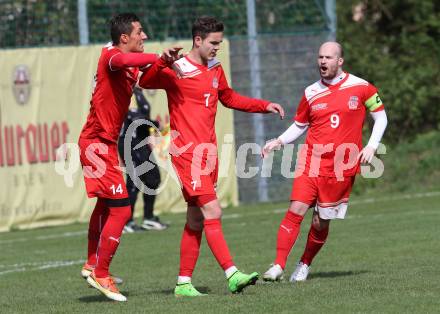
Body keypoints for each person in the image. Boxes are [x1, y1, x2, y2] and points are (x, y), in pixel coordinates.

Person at [139, 16, 285, 296]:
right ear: (198, 40)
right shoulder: (177, 69)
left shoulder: (216, 68)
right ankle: (232, 274)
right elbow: (145, 80)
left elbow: (229, 98)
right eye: (213, 43)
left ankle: (183, 283)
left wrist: (263, 105)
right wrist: (162, 61)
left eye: (219, 42)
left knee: (195, 220)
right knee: (213, 211)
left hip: (209, 154)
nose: (218, 48)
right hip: (186, 154)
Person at [261, 42, 388, 282]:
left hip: (341, 166)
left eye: (328, 57)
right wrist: (278, 141)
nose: (323, 61)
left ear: (340, 61)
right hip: (311, 160)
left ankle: (304, 264)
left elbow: (380, 117)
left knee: (320, 221)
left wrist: (371, 145)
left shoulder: (362, 87)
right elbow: (300, 125)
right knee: (295, 209)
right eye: (320, 57)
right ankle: (278, 265)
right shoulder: (310, 92)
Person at [78, 13, 180, 302]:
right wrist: (156, 57)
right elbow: (126, 62)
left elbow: (151, 77)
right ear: (125, 38)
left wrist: (173, 68)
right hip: (96, 143)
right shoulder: (111, 56)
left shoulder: (132, 66)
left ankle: (91, 264)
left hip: (104, 144)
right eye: (140, 32)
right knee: (122, 211)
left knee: (106, 206)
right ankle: (101, 273)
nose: (144, 36)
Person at [118, 87, 169, 233]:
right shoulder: (128, 92)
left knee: (153, 178)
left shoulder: (138, 92)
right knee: (134, 181)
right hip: (129, 142)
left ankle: (148, 218)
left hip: (140, 142)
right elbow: (136, 117)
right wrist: (154, 124)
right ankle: (126, 222)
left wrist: (154, 131)